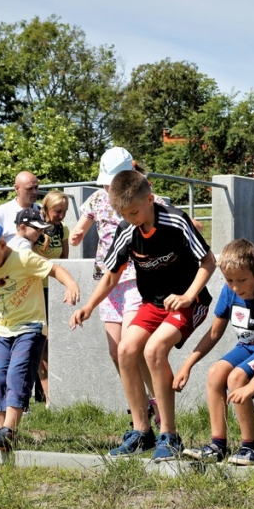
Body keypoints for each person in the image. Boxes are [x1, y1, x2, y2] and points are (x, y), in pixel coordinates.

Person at [70, 169, 216, 462]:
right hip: (153, 303)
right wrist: (89, 305)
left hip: (189, 301)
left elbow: (209, 262)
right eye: (125, 214)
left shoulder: (175, 220)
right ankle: (142, 433)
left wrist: (188, 295)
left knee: (153, 350)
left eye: (135, 212)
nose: (132, 219)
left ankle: (170, 435)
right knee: (125, 349)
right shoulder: (127, 231)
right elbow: (111, 276)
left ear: (150, 199)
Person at [174, 238, 254, 466]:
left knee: (237, 378)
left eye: (242, 280)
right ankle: (217, 445)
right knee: (215, 373)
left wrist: (252, 386)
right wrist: (188, 364)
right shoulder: (230, 291)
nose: (235, 287)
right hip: (248, 347)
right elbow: (214, 333)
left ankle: (250, 448)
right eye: (229, 280)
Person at [0, 222, 80, 451]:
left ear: (1, 244)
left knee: (16, 377)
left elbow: (55, 270)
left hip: (31, 328)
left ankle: (8, 431)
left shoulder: (24, 259)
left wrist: (70, 284)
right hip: (4, 332)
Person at [69, 147, 164, 427]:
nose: (109, 187)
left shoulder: (146, 197)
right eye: (107, 182)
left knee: (132, 347)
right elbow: (82, 226)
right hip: (108, 279)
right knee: (116, 351)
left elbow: (166, 219)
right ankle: (141, 403)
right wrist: (76, 234)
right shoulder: (97, 199)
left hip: (136, 276)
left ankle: (157, 401)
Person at [32, 191, 70, 405]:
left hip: (53, 289)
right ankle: (42, 395)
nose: (61, 215)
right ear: (45, 209)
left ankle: (51, 394)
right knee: (40, 341)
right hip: (36, 289)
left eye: (64, 211)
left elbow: (64, 260)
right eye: (57, 211)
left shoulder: (63, 229)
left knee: (52, 342)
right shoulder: (35, 227)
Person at [0, 171, 40, 239]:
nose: (34, 192)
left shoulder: (42, 210)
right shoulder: (2, 212)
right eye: (30, 188)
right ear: (17, 188)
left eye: (36, 187)